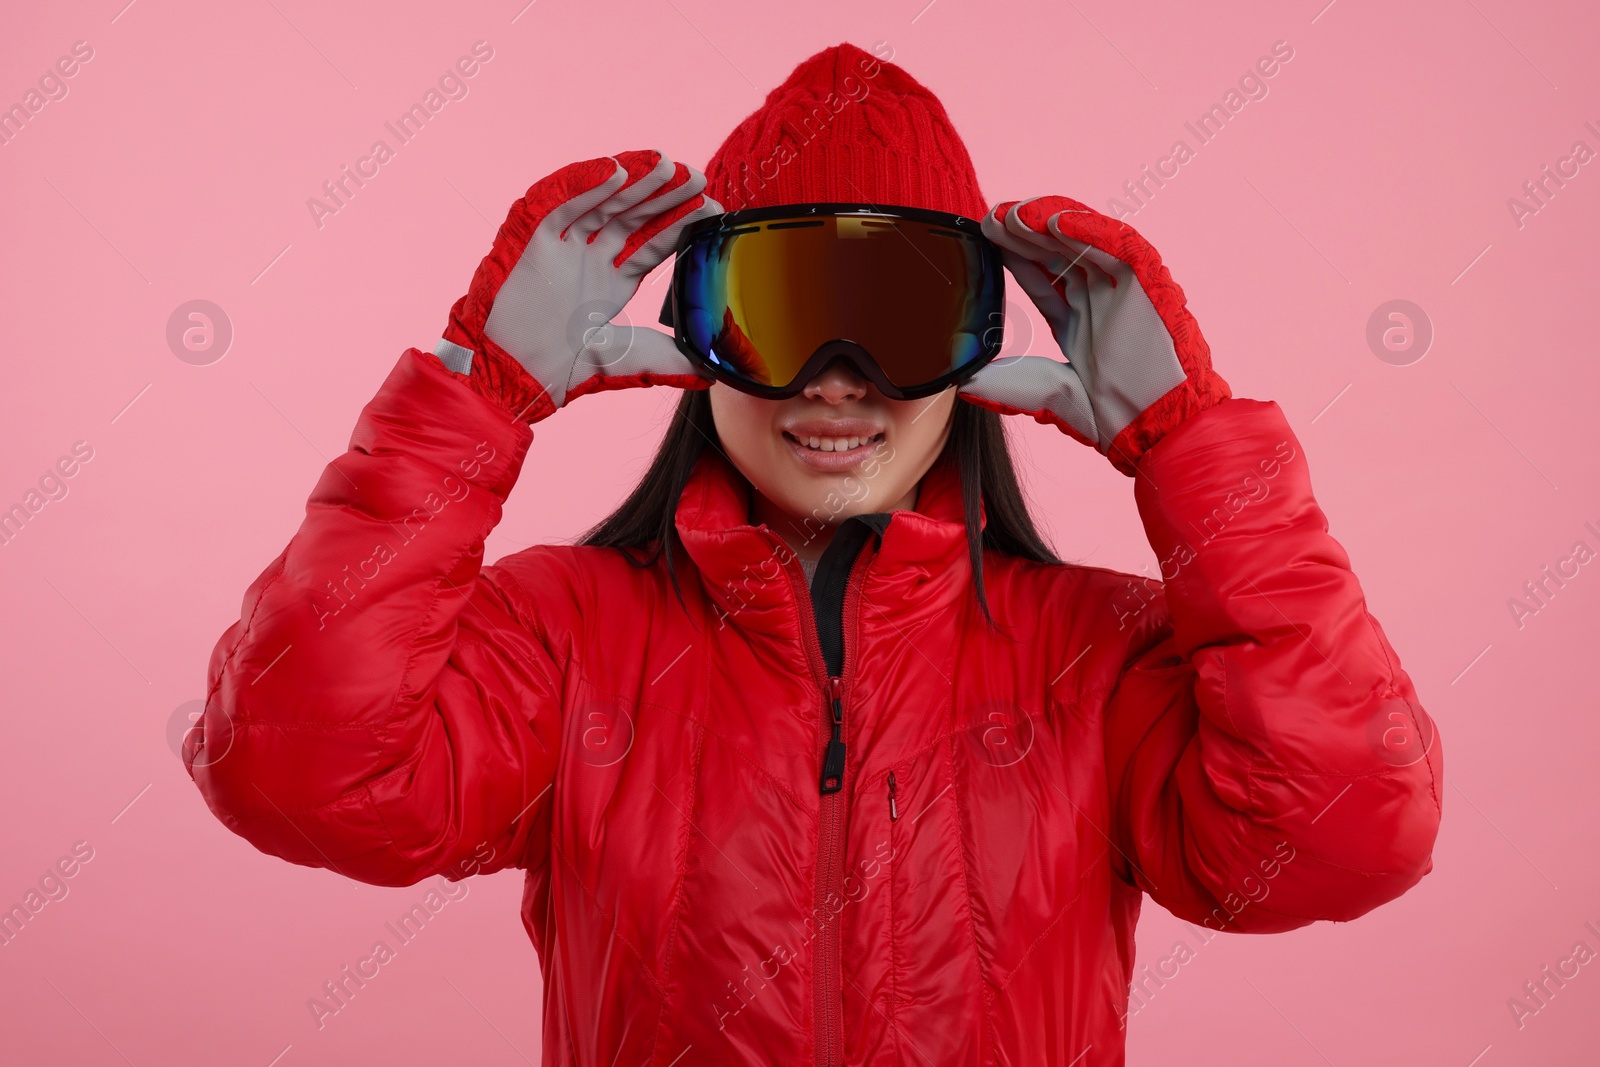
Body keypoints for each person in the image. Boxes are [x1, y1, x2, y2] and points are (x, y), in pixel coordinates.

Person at [184, 42, 1443, 1066]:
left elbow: (1345, 835)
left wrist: (1195, 454)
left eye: (896, 313)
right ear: (697, 336)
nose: (839, 381)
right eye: (782, 308)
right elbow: (301, 775)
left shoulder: (1097, 658)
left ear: (973, 346)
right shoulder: (564, 633)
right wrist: (480, 398)